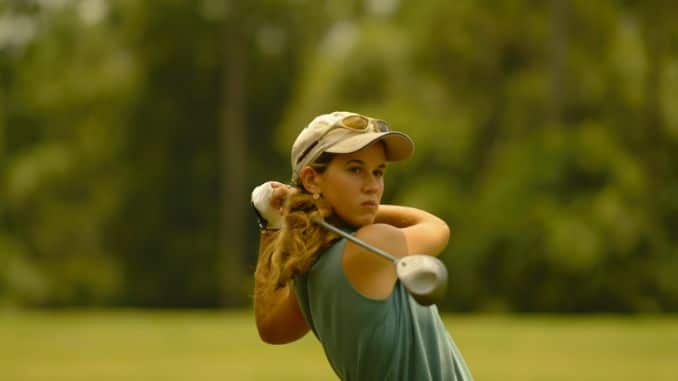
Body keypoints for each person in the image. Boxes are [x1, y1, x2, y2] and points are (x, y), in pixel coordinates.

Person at [252, 111, 473, 380]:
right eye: (355, 169)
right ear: (312, 179)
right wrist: (321, 208)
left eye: (378, 172)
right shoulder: (371, 244)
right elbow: (437, 227)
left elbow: (271, 329)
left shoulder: (309, 267)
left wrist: (272, 224)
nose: (372, 186)